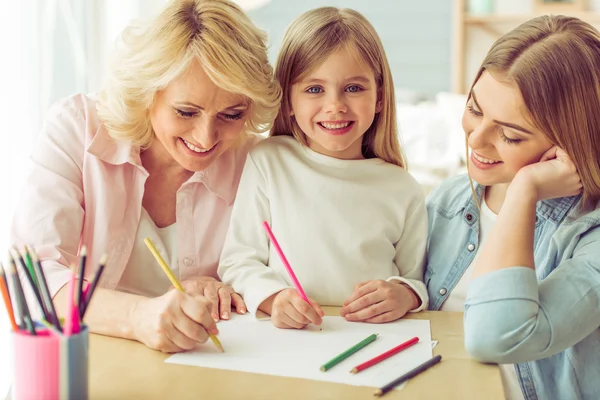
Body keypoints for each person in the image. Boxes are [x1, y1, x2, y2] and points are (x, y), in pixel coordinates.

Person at [10, 0, 281, 353]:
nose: (205, 137)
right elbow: (33, 281)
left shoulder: (256, 161)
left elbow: (283, 274)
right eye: (186, 111)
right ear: (146, 93)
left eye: (231, 114)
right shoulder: (78, 129)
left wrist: (228, 287)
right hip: (86, 364)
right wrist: (138, 315)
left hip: (206, 367)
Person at [218, 7, 428, 330]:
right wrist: (275, 298)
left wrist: (404, 295)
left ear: (381, 97)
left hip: (372, 341)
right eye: (314, 89)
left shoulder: (404, 189)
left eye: (354, 88)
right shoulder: (268, 162)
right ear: (288, 100)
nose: (335, 106)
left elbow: (415, 279)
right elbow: (238, 260)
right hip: (290, 341)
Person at [425, 15, 600, 400]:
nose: (478, 139)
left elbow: (494, 337)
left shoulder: (591, 237)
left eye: (510, 134)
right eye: (474, 109)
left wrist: (524, 190)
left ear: (569, 143)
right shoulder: (447, 202)